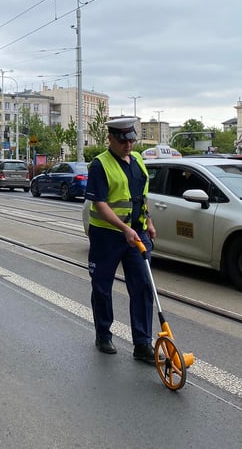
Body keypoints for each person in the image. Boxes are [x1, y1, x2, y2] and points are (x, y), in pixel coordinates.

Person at [85, 117, 157, 362]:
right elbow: (100, 204)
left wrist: (149, 221)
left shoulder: (138, 161)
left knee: (143, 287)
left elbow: (141, 195)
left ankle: (143, 344)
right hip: (107, 235)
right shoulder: (100, 165)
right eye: (123, 141)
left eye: (131, 140)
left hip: (136, 234)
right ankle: (103, 334)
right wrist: (123, 229)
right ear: (111, 139)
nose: (128, 145)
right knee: (102, 286)